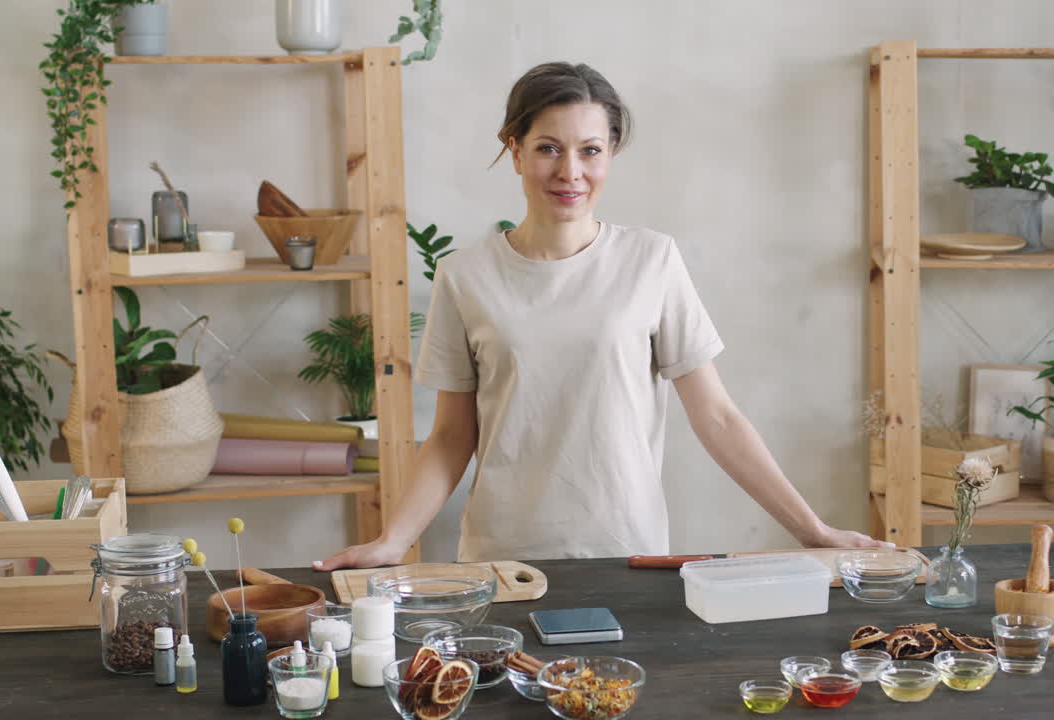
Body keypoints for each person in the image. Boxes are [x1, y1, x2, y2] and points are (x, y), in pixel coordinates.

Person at [314, 62, 889, 570]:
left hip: (628, 553)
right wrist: (394, 540)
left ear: (610, 153)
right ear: (514, 150)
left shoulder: (652, 259)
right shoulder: (466, 276)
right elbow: (449, 436)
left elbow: (716, 418)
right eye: (547, 148)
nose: (570, 171)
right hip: (504, 561)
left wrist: (813, 531)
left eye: (590, 149)